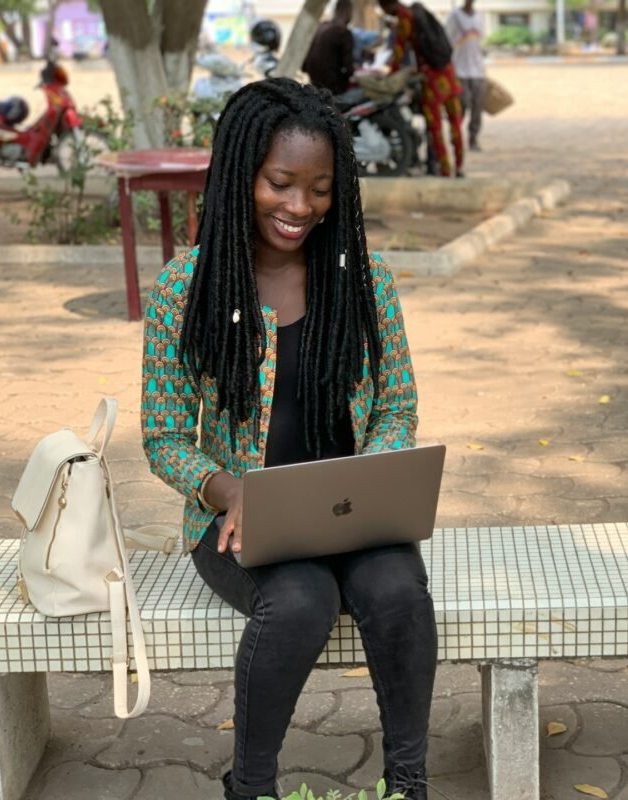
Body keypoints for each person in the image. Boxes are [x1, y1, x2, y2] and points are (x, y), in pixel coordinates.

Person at [140, 79, 436, 800]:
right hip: (239, 524)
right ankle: (250, 787)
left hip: (351, 514)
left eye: (320, 188)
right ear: (242, 173)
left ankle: (408, 784)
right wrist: (227, 489)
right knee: (300, 602)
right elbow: (165, 435)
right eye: (280, 183)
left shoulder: (364, 283)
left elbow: (397, 404)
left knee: (398, 589)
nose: (299, 207)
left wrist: (374, 473)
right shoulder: (188, 289)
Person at [379, 0, 464, 177]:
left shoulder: (404, 17)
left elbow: (399, 51)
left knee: (435, 127)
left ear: (385, 6)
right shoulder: (419, 10)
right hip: (449, 73)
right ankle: (460, 166)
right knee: (455, 122)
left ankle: (446, 170)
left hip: (432, 79)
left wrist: (391, 75)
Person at [445, 0, 485, 152]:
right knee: (462, 104)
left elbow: (480, 42)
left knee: (477, 108)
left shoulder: (479, 16)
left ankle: (473, 139)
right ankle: (455, 135)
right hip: (459, 69)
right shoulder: (454, 16)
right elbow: (448, 40)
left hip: (478, 70)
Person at [303, 0, 356, 95]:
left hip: (314, 84)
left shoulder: (320, 27)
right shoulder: (343, 33)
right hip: (333, 89)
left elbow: (304, 65)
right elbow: (349, 69)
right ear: (349, 12)